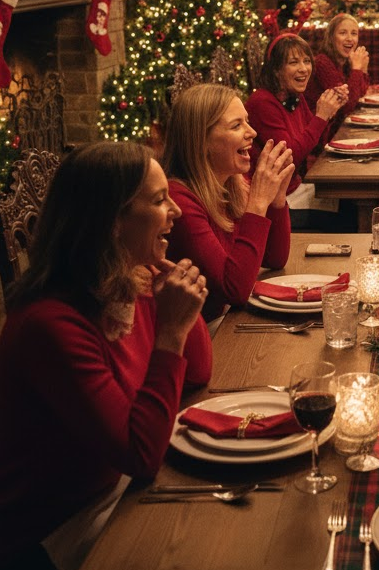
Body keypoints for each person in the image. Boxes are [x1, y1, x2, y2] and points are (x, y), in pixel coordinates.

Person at [0, 142, 212, 570]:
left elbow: (198, 374)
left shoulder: (130, 277)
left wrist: (179, 311)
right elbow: (140, 453)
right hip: (53, 533)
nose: (176, 211)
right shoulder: (50, 323)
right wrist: (171, 331)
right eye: (159, 200)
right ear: (113, 221)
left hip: (116, 491)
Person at [163, 83, 294, 323]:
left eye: (247, 121)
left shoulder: (232, 184)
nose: (252, 132)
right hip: (199, 333)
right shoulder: (179, 200)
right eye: (236, 125)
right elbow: (234, 290)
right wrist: (257, 204)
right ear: (202, 141)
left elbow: (274, 259)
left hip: (226, 324)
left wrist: (277, 201)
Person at [246, 33, 346, 195]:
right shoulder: (262, 102)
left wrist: (329, 112)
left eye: (307, 61)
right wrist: (321, 117)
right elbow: (289, 157)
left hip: (294, 186)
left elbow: (315, 145)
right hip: (274, 197)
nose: (304, 69)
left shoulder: (293, 95)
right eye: (293, 62)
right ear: (276, 70)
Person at [304, 13, 369, 123]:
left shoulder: (345, 62)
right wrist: (357, 69)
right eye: (343, 33)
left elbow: (360, 93)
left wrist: (363, 70)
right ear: (331, 38)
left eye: (354, 33)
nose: (350, 39)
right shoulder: (322, 63)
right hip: (322, 129)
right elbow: (346, 107)